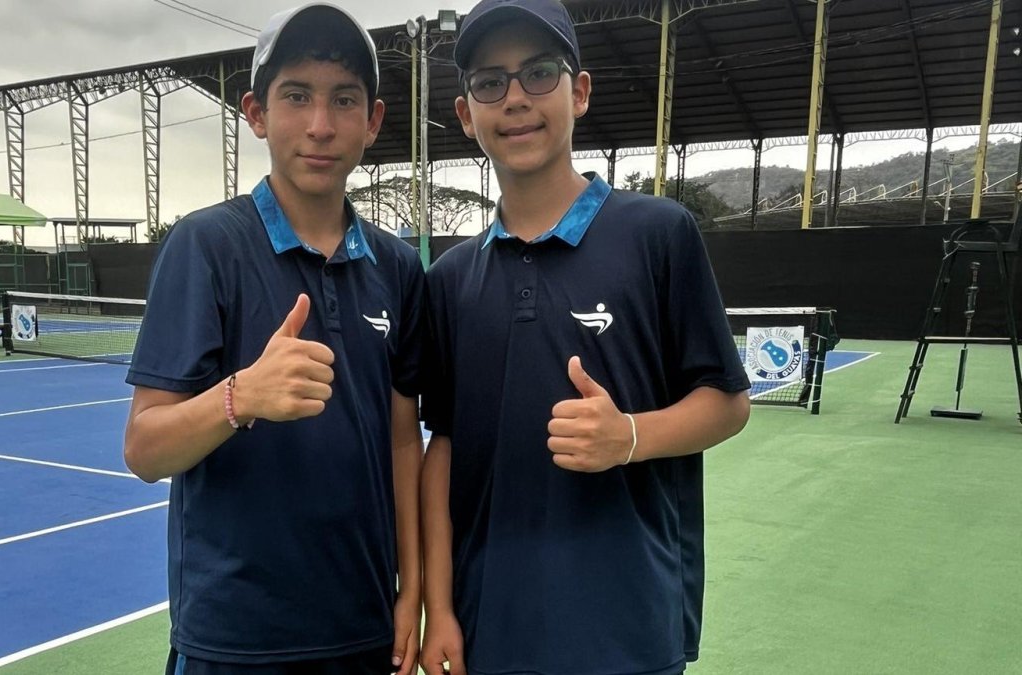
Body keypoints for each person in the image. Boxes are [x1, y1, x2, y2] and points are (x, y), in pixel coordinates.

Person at [418, 1, 751, 674]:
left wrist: (628, 435)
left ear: (580, 91)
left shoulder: (660, 234)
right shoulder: (449, 279)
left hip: (627, 632)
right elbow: (444, 446)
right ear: (465, 114)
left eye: (539, 73)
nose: (515, 99)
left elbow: (727, 401)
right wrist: (441, 608)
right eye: (490, 82)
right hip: (491, 631)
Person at [122, 4, 425, 674]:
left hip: (366, 630)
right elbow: (144, 448)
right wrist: (242, 394)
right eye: (297, 96)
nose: (321, 125)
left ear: (373, 121)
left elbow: (406, 441)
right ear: (256, 113)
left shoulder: (399, 267)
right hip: (235, 642)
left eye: (345, 100)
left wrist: (414, 589)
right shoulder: (206, 247)